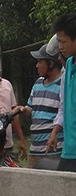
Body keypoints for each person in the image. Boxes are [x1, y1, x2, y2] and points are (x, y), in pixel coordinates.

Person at [21, 35, 63, 170]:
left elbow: (63, 114)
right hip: (35, 150)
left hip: (54, 150)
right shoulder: (38, 83)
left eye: (40, 61)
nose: (37, 65)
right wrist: (23, 110)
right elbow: (30, 110)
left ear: (51, 63)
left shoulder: (63, 84)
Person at [48, 13, 76, 172]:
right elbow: (65, 105)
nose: (60, 47)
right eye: (59, 42)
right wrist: (55, 130)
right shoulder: (69, 65)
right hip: (69, 149)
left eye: (63, 42)